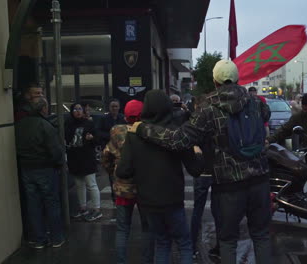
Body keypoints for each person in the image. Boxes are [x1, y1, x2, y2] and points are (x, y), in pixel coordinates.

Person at [129, 59, 272, 264]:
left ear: (215, 82)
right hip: (260, 179)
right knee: (261, 236)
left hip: (228, 186)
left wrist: (143, 128)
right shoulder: (256, 103)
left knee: (228, 240)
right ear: (238, 79)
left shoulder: (208, 109)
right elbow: (266, 115)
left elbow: (178, 140)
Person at [116, 90, 203, 264]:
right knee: (184, 244)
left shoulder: (134, 134)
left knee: (162, 243)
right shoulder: (175, 134)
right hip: (173, 200)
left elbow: (123, 171)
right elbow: (195, 169)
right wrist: (197, 152)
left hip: (147, 201)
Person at [102, 99, 155, 264]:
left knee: (122, 229)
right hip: (145, 188)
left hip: (123, 187)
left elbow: (106, 156)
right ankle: (147, 261)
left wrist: (113, 173)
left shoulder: (117, 131)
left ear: (125, 115)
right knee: (147, 227)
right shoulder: (150, 131)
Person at [15, 97, 65, 249]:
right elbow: (55, 151)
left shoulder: (20, 125)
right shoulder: (45, 125)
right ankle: (56, 238)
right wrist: (59, 164)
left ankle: (39, 239)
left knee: (33, 205)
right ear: (43, 109)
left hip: (26, 168)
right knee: (51, 203)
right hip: (45, 168)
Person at [189, 96, 221, 260]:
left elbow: (189, 142)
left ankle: (193, 246)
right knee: (218, 211)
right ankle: (220, 247)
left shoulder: (195, 122)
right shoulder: (217, 121)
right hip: (216, 170)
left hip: (201, 172)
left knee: (197, 210)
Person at [65, 103, 102, 221]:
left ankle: (97, 209)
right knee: (79, 185)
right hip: (74, 159)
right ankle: (83, 208)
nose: (77, 111)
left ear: (83, 111)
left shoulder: (89, 123)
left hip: (87, 159)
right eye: (75, 109)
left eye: (80, 109)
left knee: (91, 184)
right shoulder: (68, 124)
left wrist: (92, 139)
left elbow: (98, 140)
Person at [98, 98, 127, 202]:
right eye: (112, 106)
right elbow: (99, 133)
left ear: (119, 107)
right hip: (109, 151)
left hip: (122, 151)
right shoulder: (104, 119)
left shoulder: (123, 118)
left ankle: (122, 194)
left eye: (116, 106)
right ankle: (114, 196)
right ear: (109, 108)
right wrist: (112, 136)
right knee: (111, 174)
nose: (114, 108)